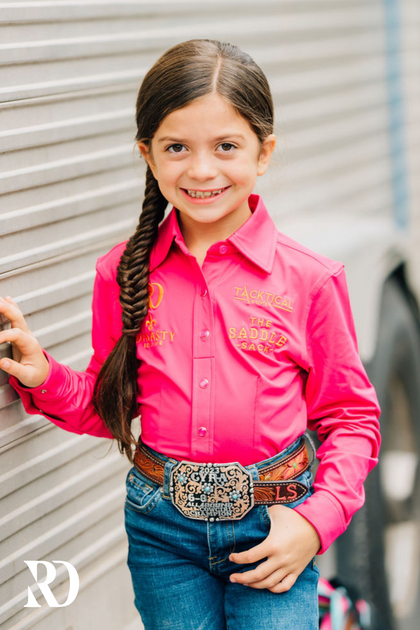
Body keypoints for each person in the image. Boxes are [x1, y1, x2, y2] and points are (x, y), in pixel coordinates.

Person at [0, 39, 381, 630]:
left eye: (226, 146)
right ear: (147, 154)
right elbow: (112, 408)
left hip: (273, 524)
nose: (201, 170)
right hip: (161, 535)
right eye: (176, 147)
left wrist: (314, 521)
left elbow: (351, 421)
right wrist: (43, 375)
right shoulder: (122, 273)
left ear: (264, 153)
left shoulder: (311, 280)